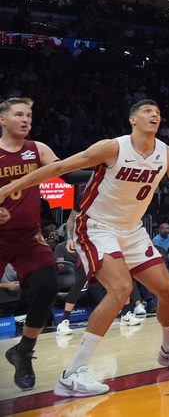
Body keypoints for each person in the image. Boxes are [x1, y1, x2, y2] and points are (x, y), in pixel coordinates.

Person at [0, 99, 169, 397]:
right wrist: (7, 189)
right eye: (147, 111)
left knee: (167, 290)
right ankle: (72, 375)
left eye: (157, 112)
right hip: (96, 225)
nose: (154, 115)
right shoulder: (112, 148)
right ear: (132, 119)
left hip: (132, 229)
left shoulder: (167, 154)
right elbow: (59, 167)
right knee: (120, 288)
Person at [0, 97, 61, 390]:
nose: (26, 120)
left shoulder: (38, 149)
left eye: (29, 116)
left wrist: (104, 167)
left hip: (28, 235)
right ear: (2, 120)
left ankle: (23, 351)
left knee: (48, 286)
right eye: (19, 115)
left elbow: (67, 172)